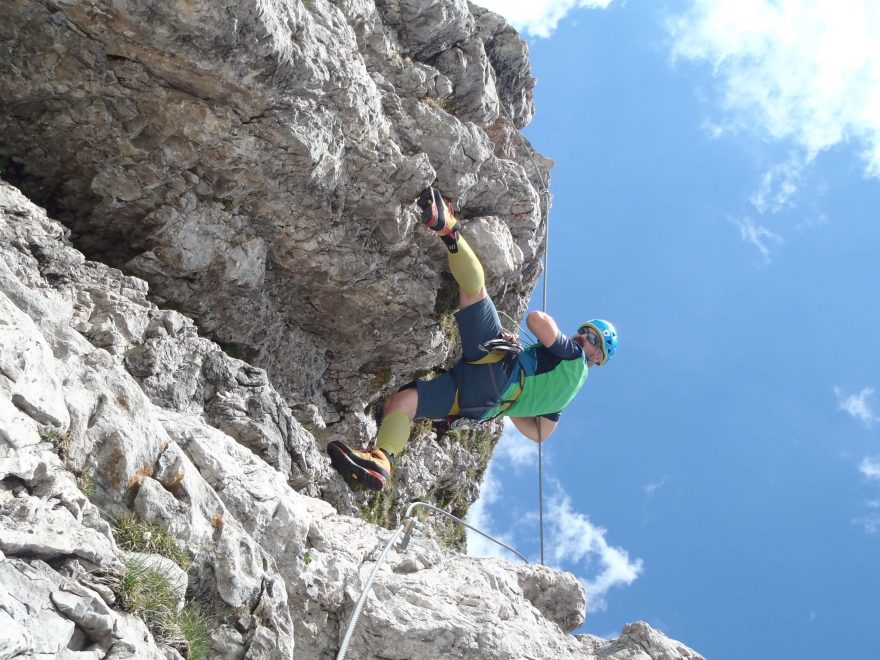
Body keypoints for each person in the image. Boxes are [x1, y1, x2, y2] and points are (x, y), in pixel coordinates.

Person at [327, 187, 618, 491]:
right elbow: (540, 434)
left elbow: (537, 320)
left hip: (496, 370)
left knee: (475, 292)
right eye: (584, 331)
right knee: (402, 403)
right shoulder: (562, 399)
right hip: (481, 405)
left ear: (596, 358)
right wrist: (512, 403)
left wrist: (533, 358)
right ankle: (381, 461)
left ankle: (448, 227)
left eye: (592, 339)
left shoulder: (573, 356)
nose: (583, 337)